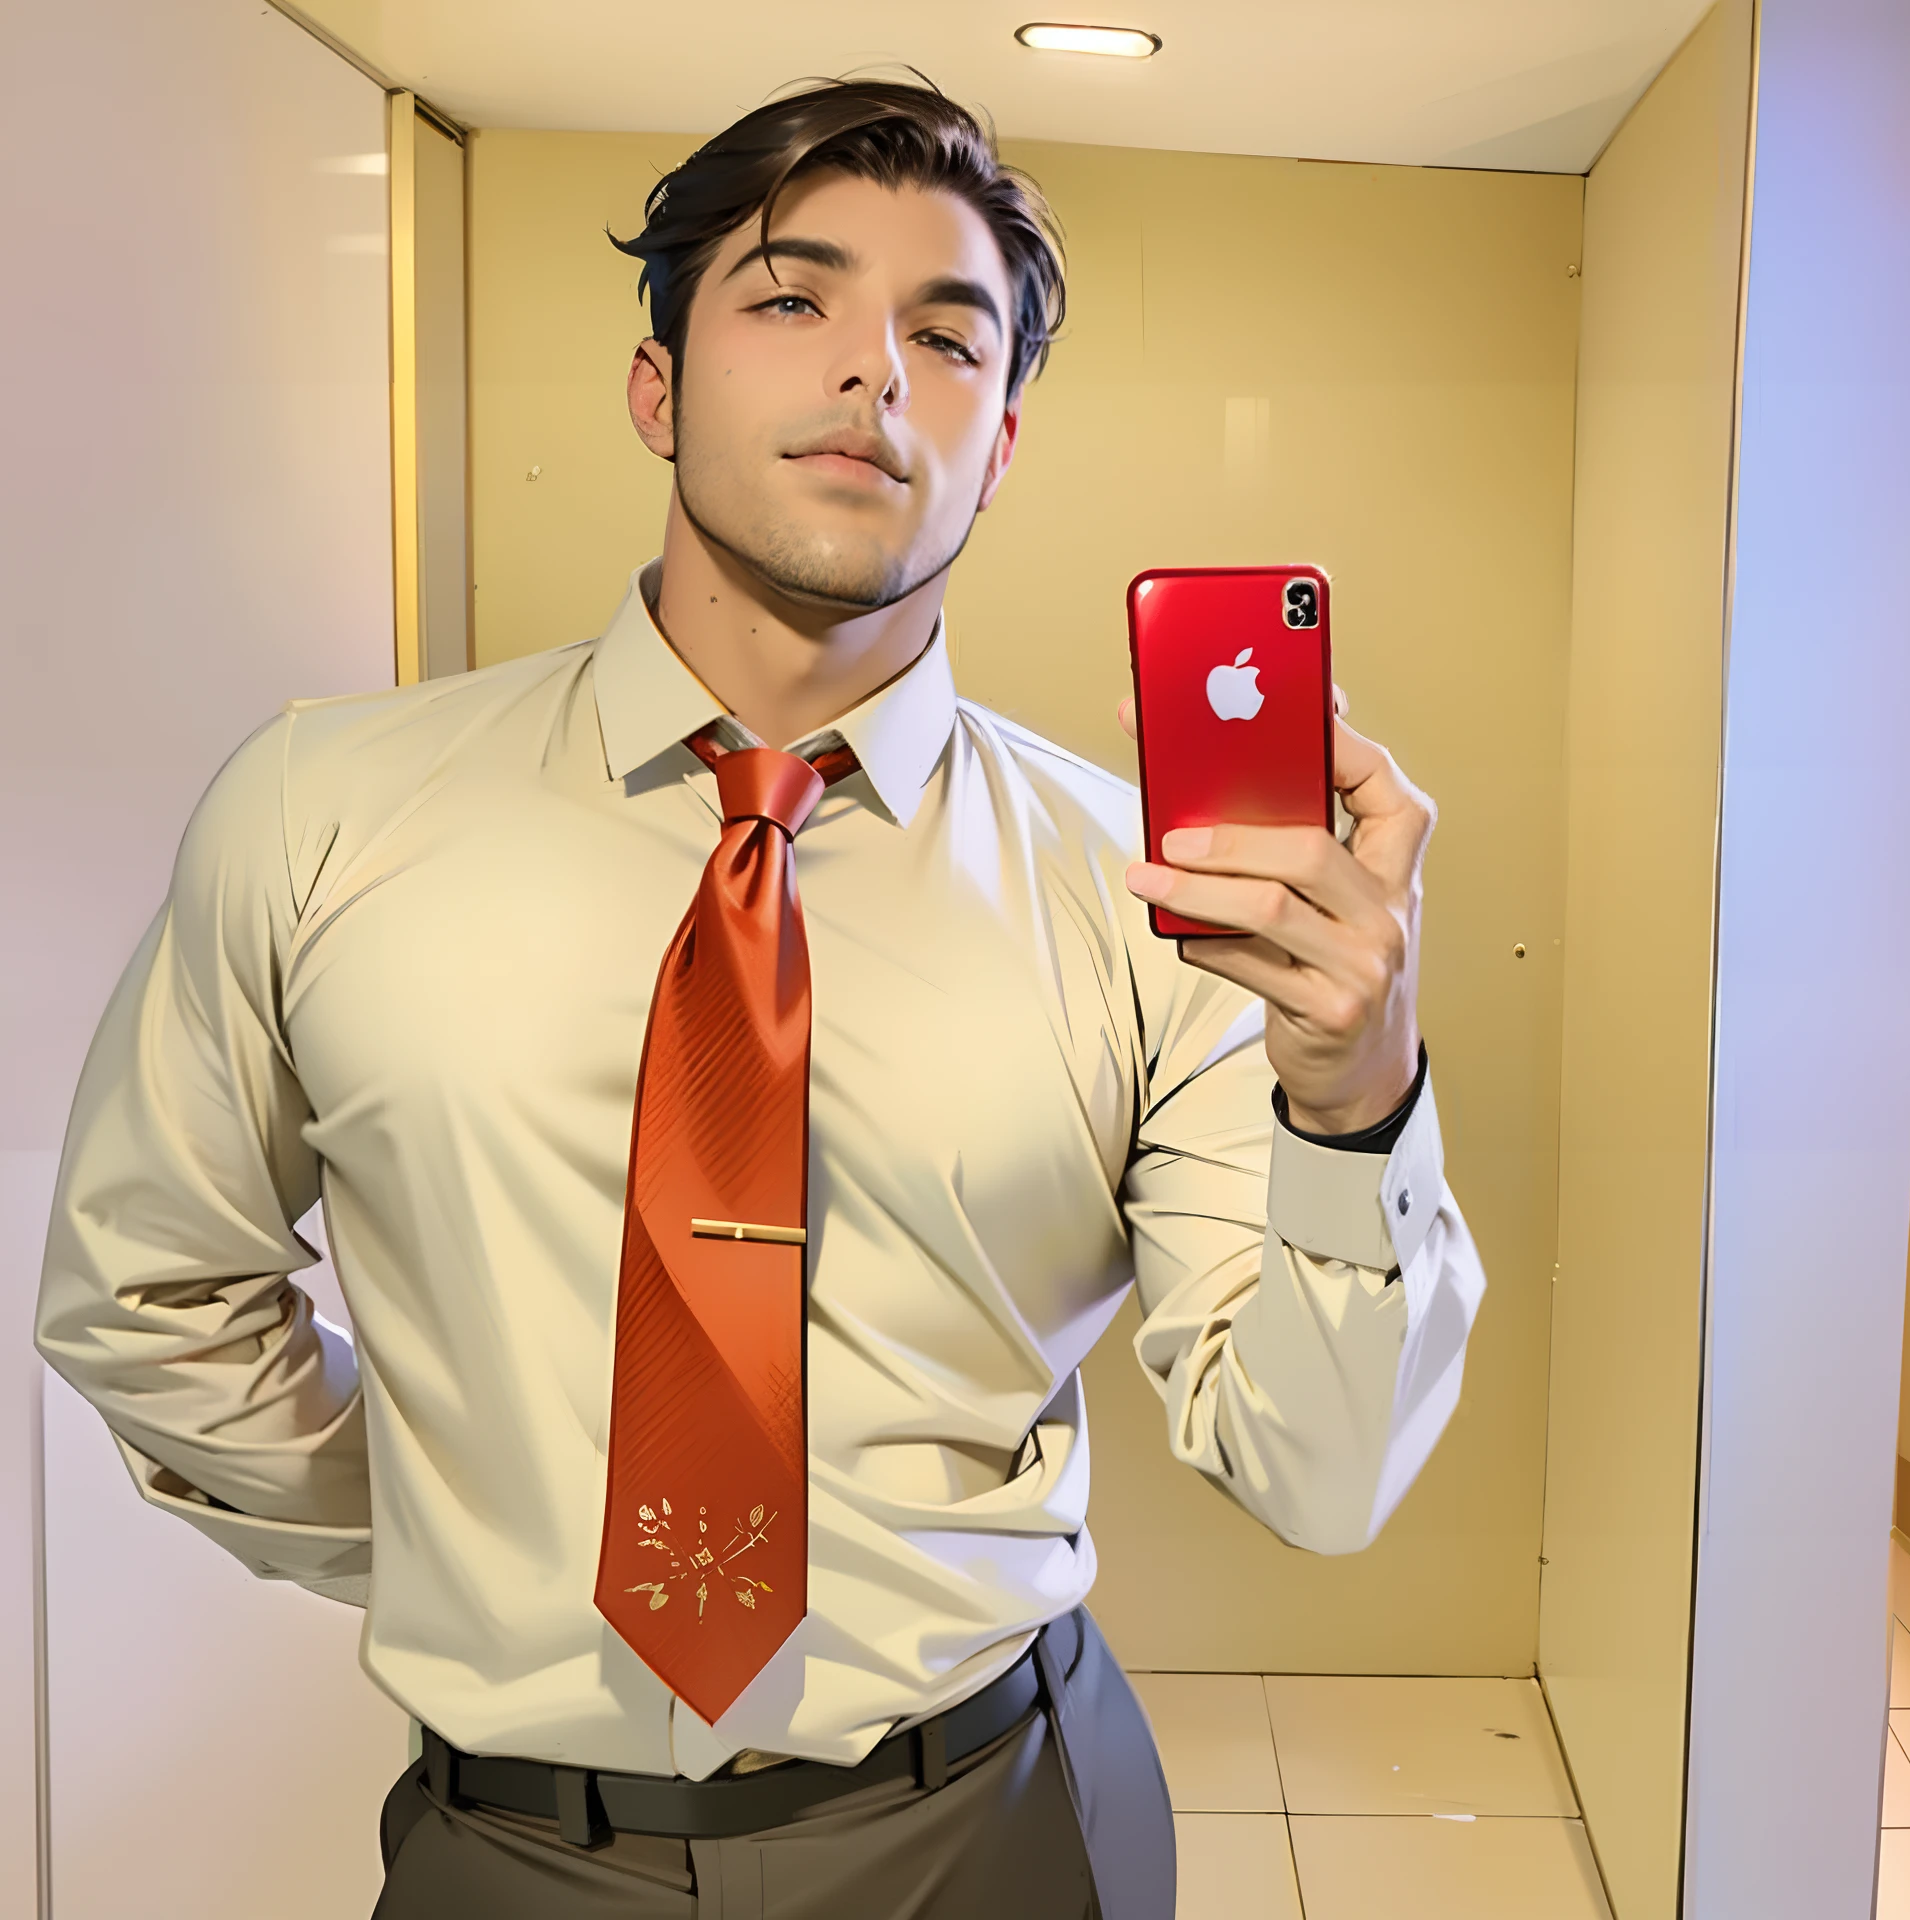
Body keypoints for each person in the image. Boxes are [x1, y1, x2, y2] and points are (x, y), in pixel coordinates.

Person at [35, 76, 1485, 1920]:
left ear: (1003, 438)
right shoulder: (324, 809)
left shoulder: (1146, 899)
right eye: (793, 300)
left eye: (946, 338)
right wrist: (457, 1540)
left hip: (1000, 1823)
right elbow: (146, 1292)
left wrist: (1353, 1099)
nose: (874, 371)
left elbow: (1322, 1472)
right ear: (659, 388)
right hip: (507, 1850)